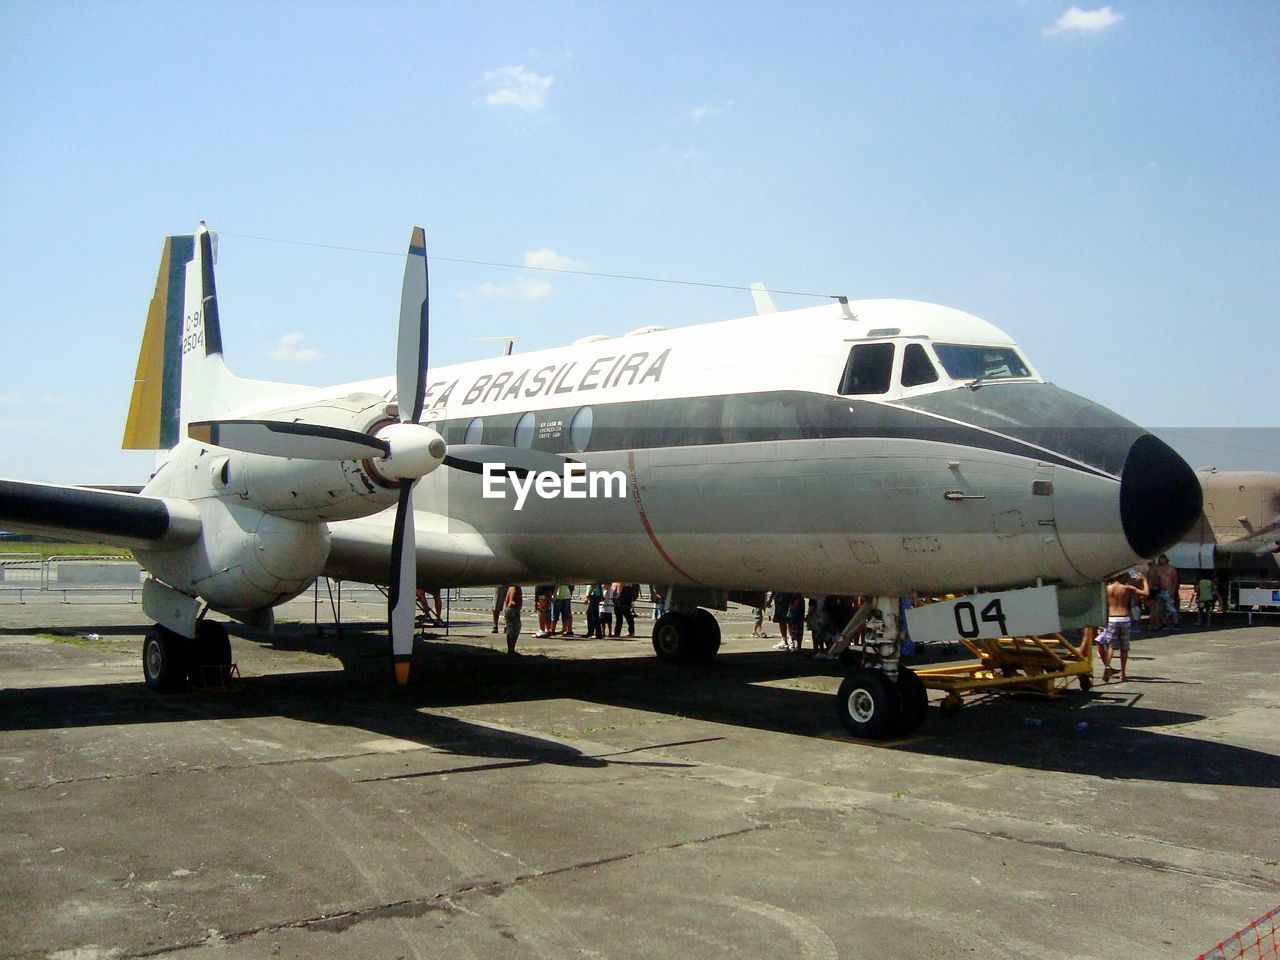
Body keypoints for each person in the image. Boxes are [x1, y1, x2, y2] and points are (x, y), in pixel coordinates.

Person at [1099, 570, 1150, 682]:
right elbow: (1145, 593)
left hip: (1112, 617)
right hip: (1124, 617)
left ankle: (1107, 666)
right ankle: (1123, 672)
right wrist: (1144, 580)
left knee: (1111, 645)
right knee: (1124, 647)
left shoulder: (1108, 588)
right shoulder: (1127, 589)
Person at [1153, 554, 1180, 629]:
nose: (1162, 560)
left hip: (1168, 590)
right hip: (1160, 590)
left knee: (1171, 607)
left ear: (1166, 559)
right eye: (1160, 559)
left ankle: (1176, 623)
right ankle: (1164, 622)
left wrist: (1173, 590)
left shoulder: (1171, 569)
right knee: (1160, 608)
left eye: (1163, 559)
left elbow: (1175, 580)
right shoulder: (1158, 569)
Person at [502, 583, 523, 654]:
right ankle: (511, 649)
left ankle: (510, 649)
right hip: (513, 610)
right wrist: (513, 604)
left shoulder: (510, 588)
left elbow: (506, 600)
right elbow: (511, 601)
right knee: (515, 629)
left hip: (509, 610)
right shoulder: (515, 588)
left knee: (510, 630)